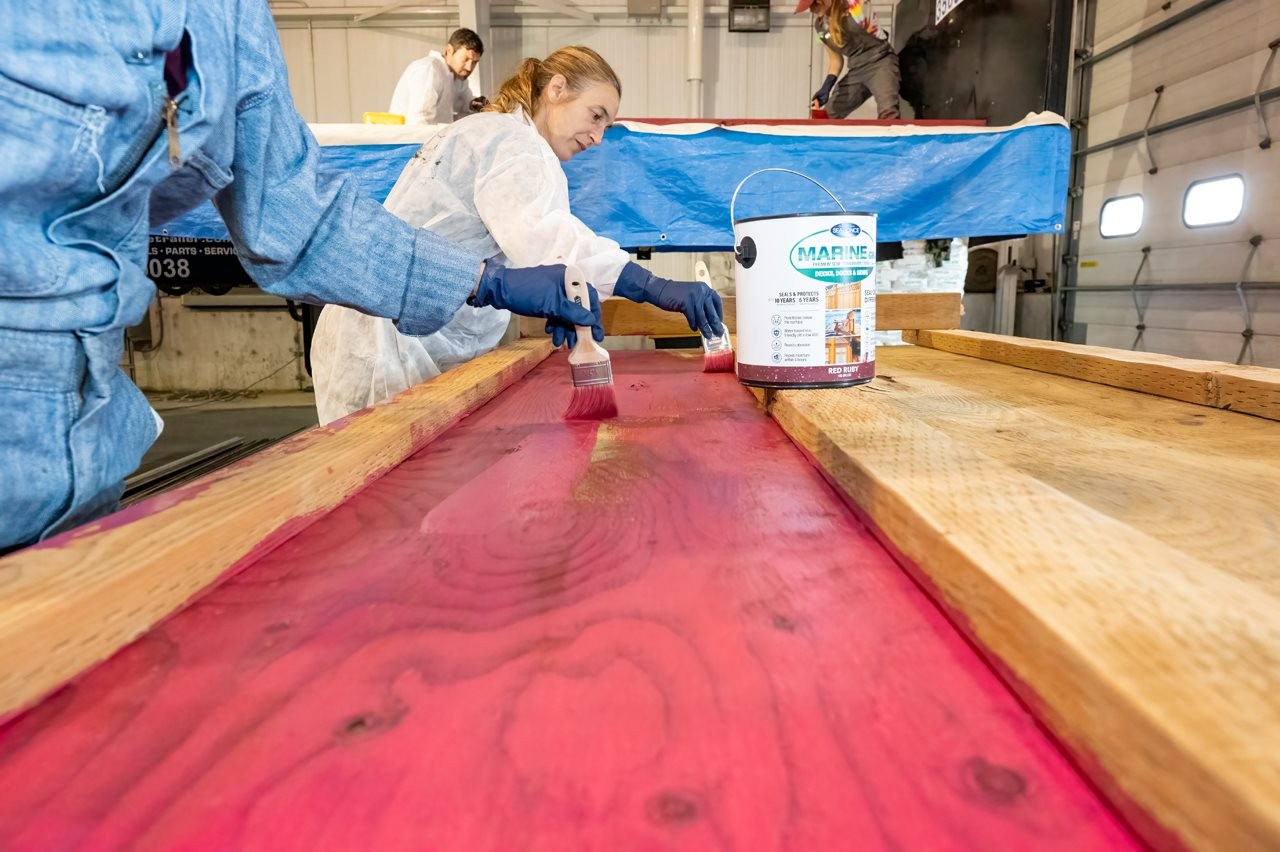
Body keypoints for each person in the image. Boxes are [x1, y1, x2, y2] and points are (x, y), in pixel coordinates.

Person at [0, 2, 603, 553]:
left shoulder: (229, 21)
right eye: (595, 114)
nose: (598, 134)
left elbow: (298, 215)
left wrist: (480, 282)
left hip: (82, 432)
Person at [313, 46, 725, 426]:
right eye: (595, 115)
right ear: (557, 89)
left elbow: (537, 240)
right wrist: (652, 285)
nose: (598, 137)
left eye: (607, 125)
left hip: (393, 332)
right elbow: (550, 240)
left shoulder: (495, 135)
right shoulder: (515, 143)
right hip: (387, 345)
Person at [798, 0, 901, 120]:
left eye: (814, 4)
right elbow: (835, 60)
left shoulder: (855, 7)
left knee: (889, 114)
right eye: (808, 7)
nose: (811, 9)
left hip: (881, 63)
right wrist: (826, 87)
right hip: (856, 69)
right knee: (828, 115)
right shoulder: (820, 28)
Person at [388, 28, 484, 125]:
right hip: (411, 138)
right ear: (449, 50)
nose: (469, 68)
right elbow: (419, 120)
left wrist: (476, 104)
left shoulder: (458, 77)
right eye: (466, 59)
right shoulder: (430, 70)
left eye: (475, 62)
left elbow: (465, 103)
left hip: (433, 137)